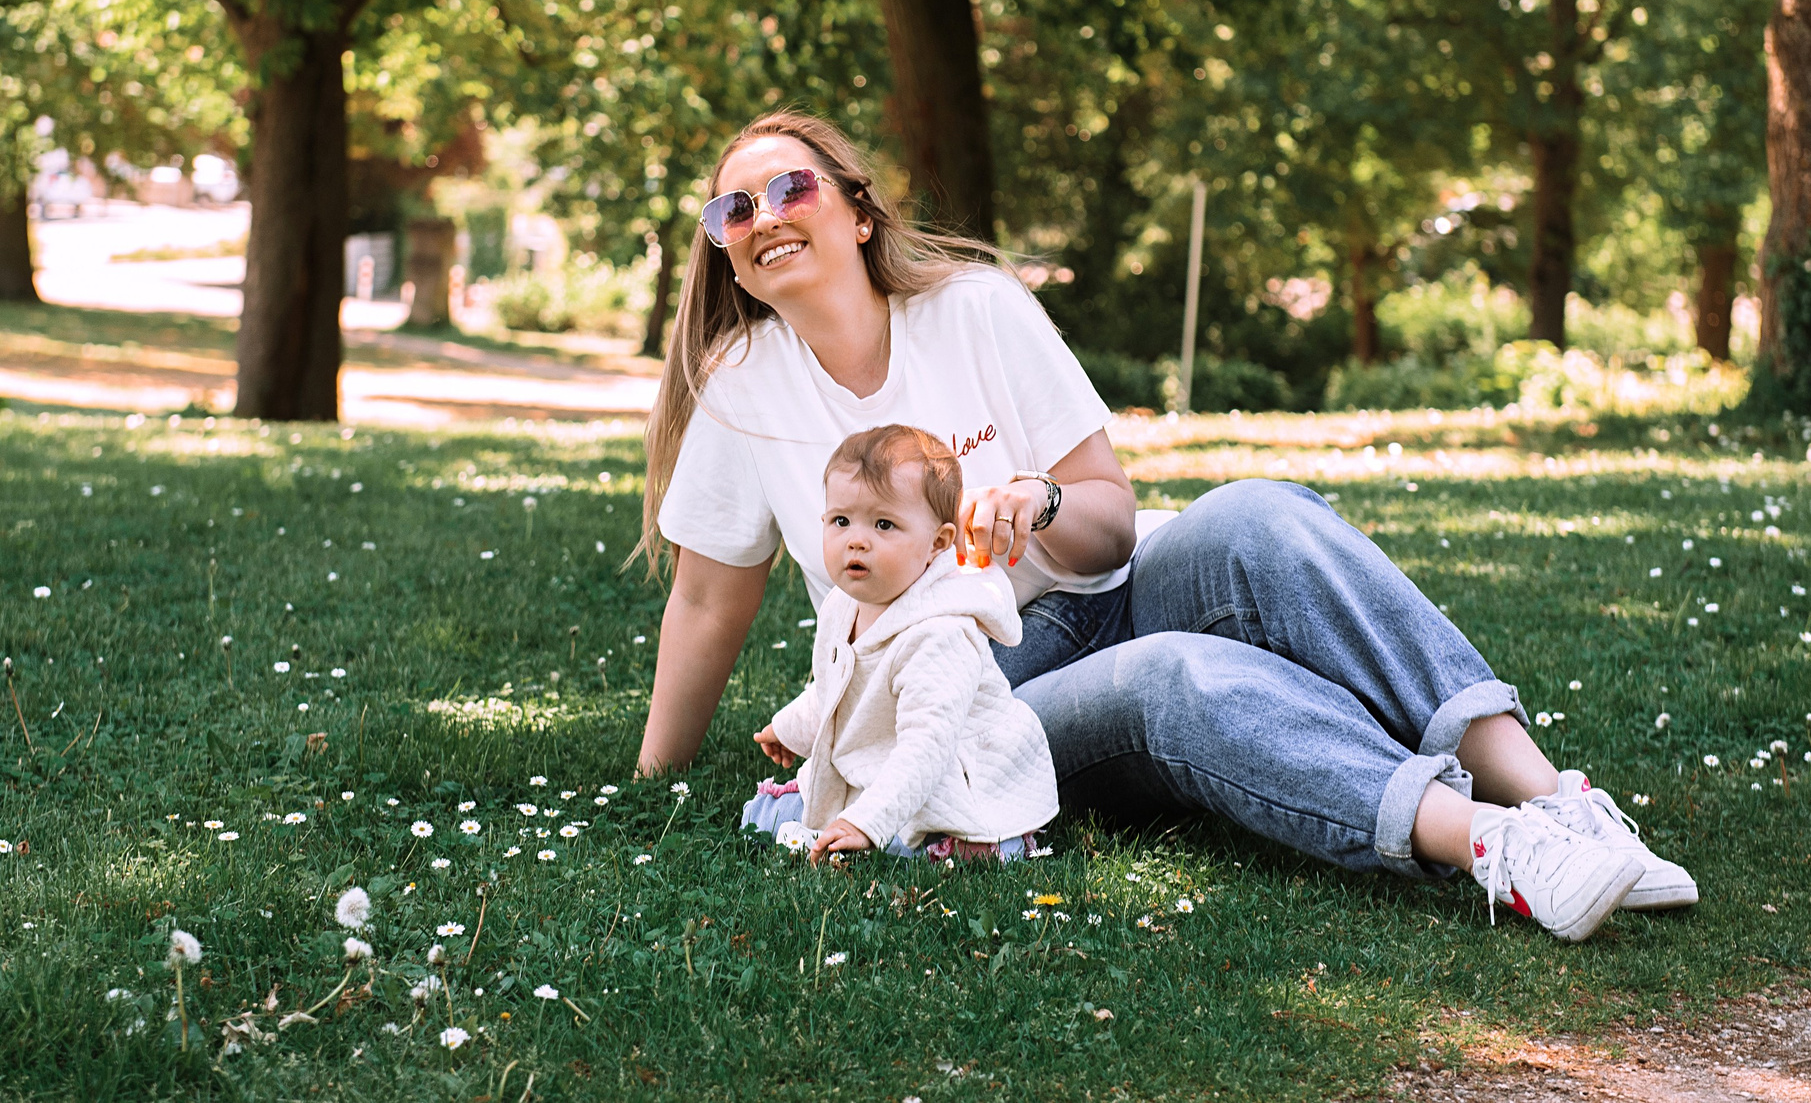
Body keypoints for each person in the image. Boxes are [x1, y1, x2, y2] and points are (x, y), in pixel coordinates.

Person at [638, 111, 1698, 942]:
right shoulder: (742, 386)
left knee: (1257, 513)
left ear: (858, 211)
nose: (761, 213)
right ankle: (1498, 847)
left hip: (1099, 589)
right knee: (1171, 676)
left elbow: (1107, 526)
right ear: (724, 252)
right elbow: (703, 596)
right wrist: (654, 783)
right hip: (964, 692)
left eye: (789, 185)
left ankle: (1557, 799)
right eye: (731, 207)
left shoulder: (973, 306)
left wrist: (1041, 504)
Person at [743, 424, 1060, 866]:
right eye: (841, 520)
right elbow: (838, 692)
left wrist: (866, 823)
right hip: (885, 768)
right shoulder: (845, 606)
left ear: (938, 543)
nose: (857, 538)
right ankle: (861, 822)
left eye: (884, 524)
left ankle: (935, 841)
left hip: (948, 782)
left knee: (907, 846)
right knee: (763, 817)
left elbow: (926, 748)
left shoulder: (942, 633)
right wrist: (789, 727)